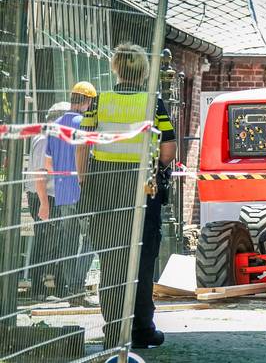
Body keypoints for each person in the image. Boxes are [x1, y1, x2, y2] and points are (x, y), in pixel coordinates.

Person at [77, 43, 176, 349]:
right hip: (142, 189)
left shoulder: (100, 101)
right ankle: (143, 330)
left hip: (105, 190)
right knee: (143, 261)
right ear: (144, 70)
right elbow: (169, 150)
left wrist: (83, 180)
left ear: (116, 68)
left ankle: (113, 332)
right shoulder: (152, 104)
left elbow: (83, 144)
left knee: (111, 260)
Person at [41, 82, 96, 304]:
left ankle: (71, 288)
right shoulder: (85, 125)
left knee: (68, 241)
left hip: (63, 192)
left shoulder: (54, 127)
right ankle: (77, 286)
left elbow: (48, 165)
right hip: (82, 190)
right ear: (88, 101)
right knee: (91, 240)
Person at [26, 102, 68, 300]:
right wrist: (44, 203)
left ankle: (51, 285)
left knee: (52, 241)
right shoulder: (44, 139)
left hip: (49, 196)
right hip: (43, 196)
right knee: (44, 242)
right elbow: (39, 174)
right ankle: (38, 287)